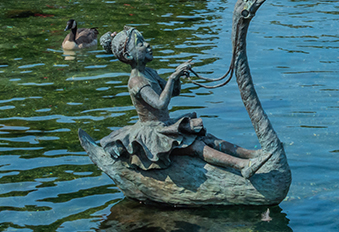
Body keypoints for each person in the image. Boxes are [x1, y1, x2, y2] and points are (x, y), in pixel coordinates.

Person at [98, 26, 271, 178]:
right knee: (196, 146)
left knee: (208, 138)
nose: (147, 45)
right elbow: (160, 104)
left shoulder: (150, 72)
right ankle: (242, 166)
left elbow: (174, 92)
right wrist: (173, 76)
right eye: (141, 44)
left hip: (165, 124)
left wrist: (178, 77)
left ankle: (252, 154)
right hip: (153, 131)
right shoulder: (136, 81)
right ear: (128, 55)